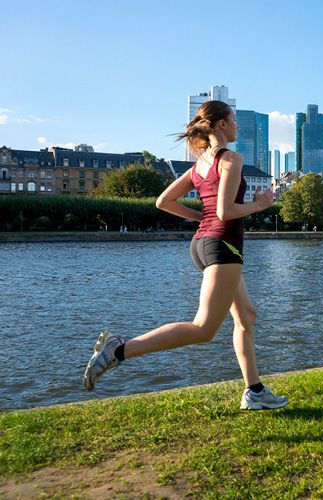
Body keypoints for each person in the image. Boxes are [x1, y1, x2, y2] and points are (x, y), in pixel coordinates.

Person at [84, 100, 288, 411]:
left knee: (246, 318)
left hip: (206, 242)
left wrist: (201, 219)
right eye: (233, 120)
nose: (237, 125)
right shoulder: (230, 159)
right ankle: (119, 350)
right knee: (203, 329)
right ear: (221, 124)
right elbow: (226, 210)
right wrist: (260, 204)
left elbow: (163, 201)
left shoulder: (200, 165)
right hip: (223, 245)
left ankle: (255, 391)